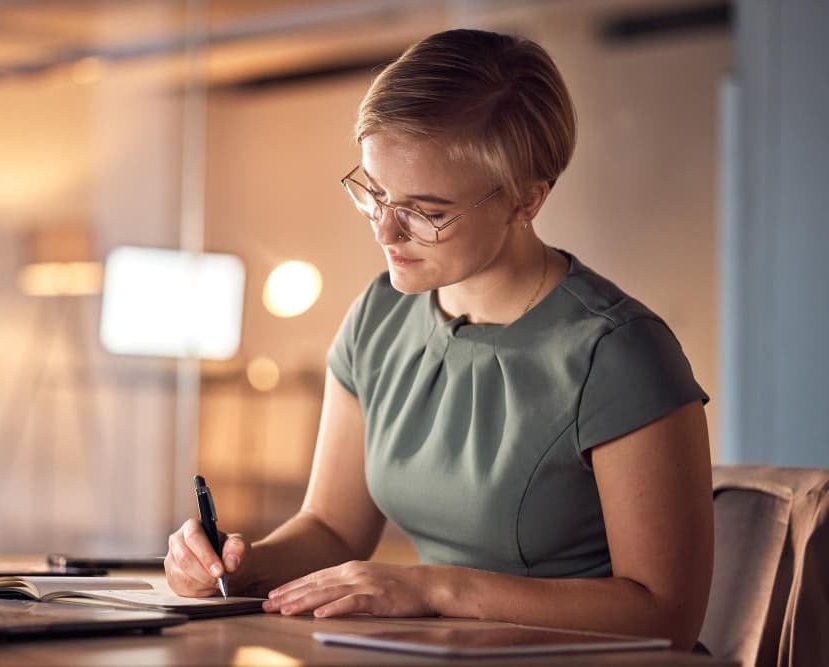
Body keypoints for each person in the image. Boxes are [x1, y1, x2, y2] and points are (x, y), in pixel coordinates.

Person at [164, 28, 714, 652]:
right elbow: (332, 529)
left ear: (526, 201)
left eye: (425, 211)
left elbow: (668, 615)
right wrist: (231, 566)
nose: (385, 231)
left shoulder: (618, 353)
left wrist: (438, 588)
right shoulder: (379, 315)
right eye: (376, 193)